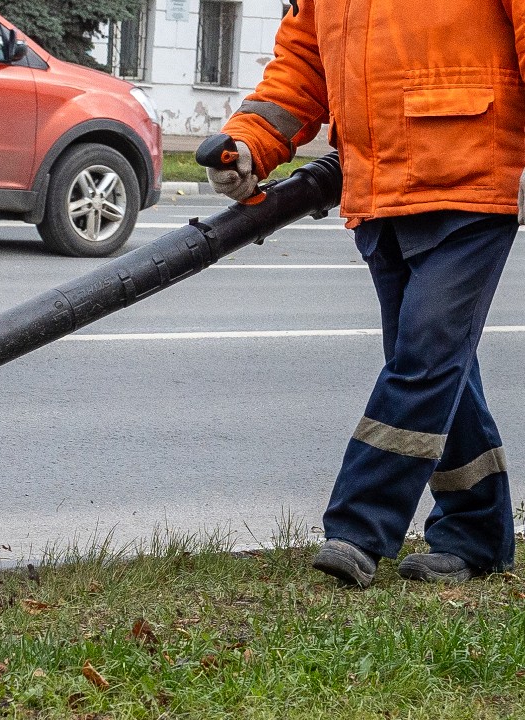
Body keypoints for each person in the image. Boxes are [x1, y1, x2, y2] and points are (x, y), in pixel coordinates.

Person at [207, 0, 522, 587]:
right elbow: (303, 61)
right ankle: (477, 534)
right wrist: (249, 141)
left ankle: (358, 528)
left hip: (470, 178)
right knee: (434, 367)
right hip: (379, 190)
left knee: (425, 361)